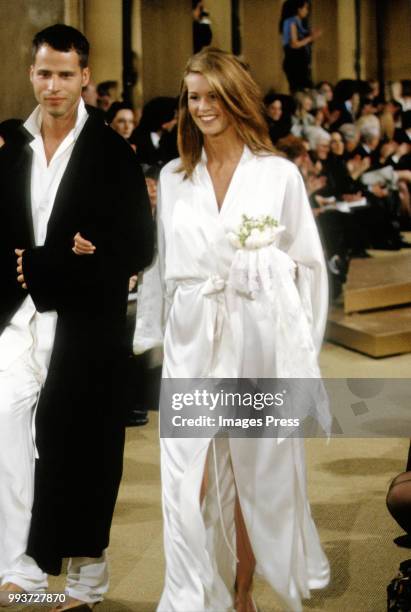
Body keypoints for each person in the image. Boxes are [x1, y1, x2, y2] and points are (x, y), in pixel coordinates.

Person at [132, 47, 330, 611]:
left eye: (213, 96)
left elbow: (309, 264)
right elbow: (161, 263)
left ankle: (242, 593)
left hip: (256, 336)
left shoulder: (277, 175)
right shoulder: (173, 176)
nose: (201, 108)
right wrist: (152, 334)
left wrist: (296, 347)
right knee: (183, 475)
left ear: (237, 98)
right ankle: (188, 596)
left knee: (249, 475)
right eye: (193, 97)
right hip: (193, 338)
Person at [0, 23, 153, 611]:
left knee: (82, 449)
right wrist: (62, 256)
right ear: (31, 74)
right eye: (44, 73)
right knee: (10, 436)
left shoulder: (112, 152)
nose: (54, 85)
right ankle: (23, 569)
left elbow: (136, 246)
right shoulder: (11, 145)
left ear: (85, 77)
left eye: (66, 74)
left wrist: (43, 265)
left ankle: (87, 573)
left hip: (85, 325)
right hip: (17, 321)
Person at [279, 0, 322, 93]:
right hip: (294, 62)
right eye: (305, 8)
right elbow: (294, 44)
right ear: (298, 9)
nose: (307, 11)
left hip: (302, 62)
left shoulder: (300, 23)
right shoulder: (290, 22)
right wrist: (311, 38)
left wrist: (311, 36)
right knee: (301, 91)